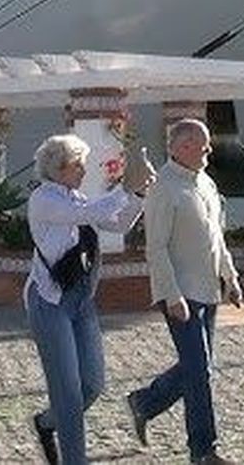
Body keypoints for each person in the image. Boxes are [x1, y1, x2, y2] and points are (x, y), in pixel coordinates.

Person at [25, 133, 148, 465]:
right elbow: (87, 213)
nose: (82, 170)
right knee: (67, 393)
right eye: (76, 164)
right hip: (49, 302)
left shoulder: (75, 197)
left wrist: (136, 193)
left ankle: (46, 423)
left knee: (92, 384)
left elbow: (119, 223)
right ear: (57, 168)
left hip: (81, 299)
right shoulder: (44, 200)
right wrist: (123, 189)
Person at [127, 118, 242, 465]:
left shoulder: (204, 182)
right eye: (201, 143)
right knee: (200, 371)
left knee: (200, 368)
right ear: (179, 147)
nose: (208, 149)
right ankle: (204, 451)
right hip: (180, 293)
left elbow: (216, 238)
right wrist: (171, 294)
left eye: (207, 143)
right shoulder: (163, 188)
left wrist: (230, 277)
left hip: (209, 290)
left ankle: (145, 402)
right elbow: (156, 248)